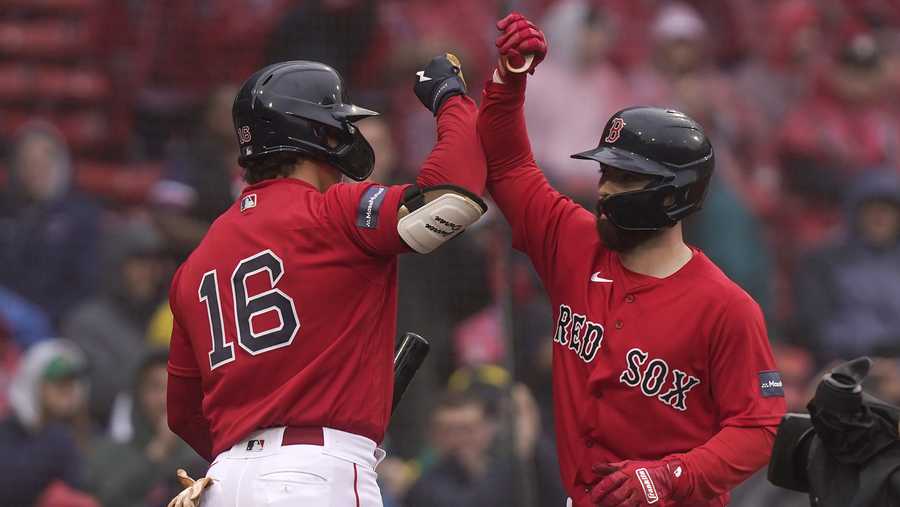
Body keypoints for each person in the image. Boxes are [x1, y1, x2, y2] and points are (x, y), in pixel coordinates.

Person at [477, 13, 787, 507]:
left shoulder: (725, 306)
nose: (605, 190)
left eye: (626, 179)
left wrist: (670, 476)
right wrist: (509, 81)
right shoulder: (574, 243)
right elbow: (509, 167)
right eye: (605, 174)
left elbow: (760, 427)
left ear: (674, 195)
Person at [165, 56, 486, 507]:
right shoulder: (331, 212)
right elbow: (453, 199)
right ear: (316, 134)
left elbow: (183, 414)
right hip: (314, 474)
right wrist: (451, 99)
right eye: (337, 127)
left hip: (223, 482)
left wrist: (252, 455)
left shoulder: (196, 262)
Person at [87, 349, 206, 507]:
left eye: (172, 386)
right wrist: (157, 452)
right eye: (155, 387)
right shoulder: (111, 452)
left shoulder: (204, 449)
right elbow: (108, 498)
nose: (164, 398)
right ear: (139, 395)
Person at [0, 339, 95, 506]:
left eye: (72, 380)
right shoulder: (9, 432)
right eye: (58, 381)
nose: (68, 389)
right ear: (34, 384)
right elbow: (11, 486)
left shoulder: (90, 429)